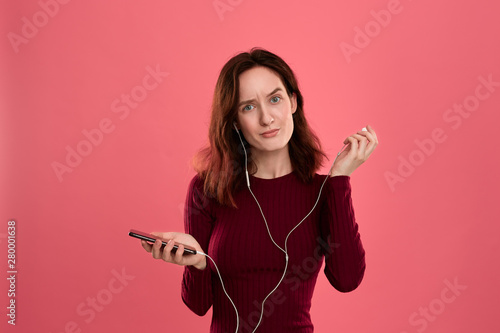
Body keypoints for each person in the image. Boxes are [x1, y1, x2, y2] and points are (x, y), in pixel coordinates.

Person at [141, 47, 378, 332]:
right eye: (249, 107)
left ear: (292, 102)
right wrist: (196, 264)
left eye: (275, 99)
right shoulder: (208, 189)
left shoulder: (323, 192)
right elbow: (198, 304)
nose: (267, 118)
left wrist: (339, 179)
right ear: (234, 121)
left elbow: (347, 279)